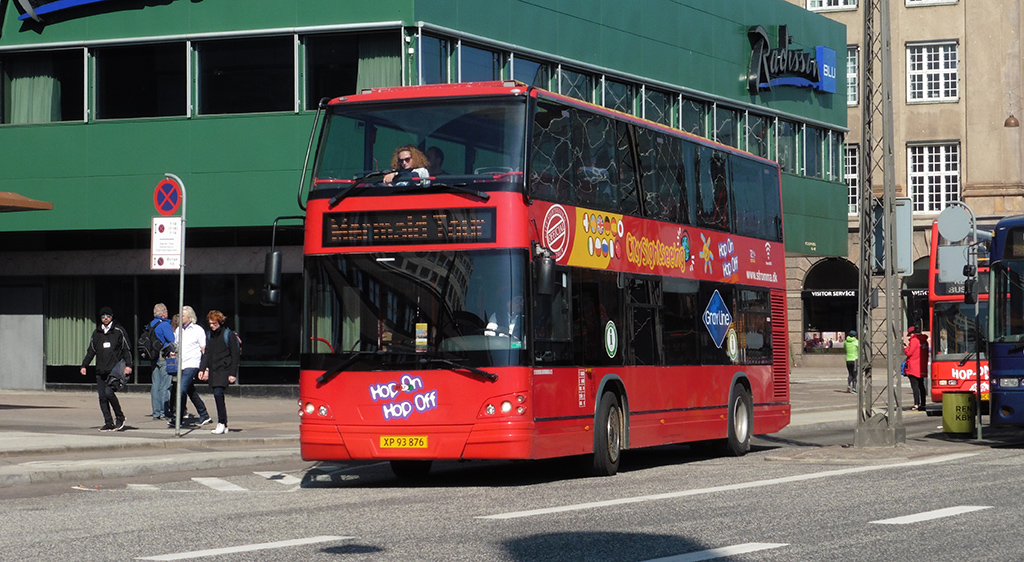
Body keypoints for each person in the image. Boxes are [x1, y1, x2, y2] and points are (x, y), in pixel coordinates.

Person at [80, 306, 133, 431]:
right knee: (102, 397)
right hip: (100, 369)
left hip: (114, 370)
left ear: (112, 316)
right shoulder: (96, 333)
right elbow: (91, 351)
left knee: (109, 393)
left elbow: (126, 349)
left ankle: (120, 417)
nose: (105, 318)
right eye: (103, 316)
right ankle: (108, 422)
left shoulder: (119, 331)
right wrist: (84, 365)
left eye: (108, 315)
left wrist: (129, 365)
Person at [197, 310, 240, 435]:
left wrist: (233, 374)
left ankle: (221, 422)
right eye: (210, 323)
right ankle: (224, 424)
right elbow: (207, 353)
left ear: (220, 322)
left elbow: (235, 355)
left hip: (224, 370)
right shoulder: (209, 335)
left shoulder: (229, 335)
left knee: (218, 393)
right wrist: (202, 368)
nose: (212, 326)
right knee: (217, 395)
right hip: (214, 370)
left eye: (214, 323)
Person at [169, 306, 211, 427]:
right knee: (189, 390)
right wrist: (172, 353)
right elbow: (176, 346)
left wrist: (205, 368)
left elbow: (204, 349)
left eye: (182, 315)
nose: (180, 318)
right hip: (181, 364)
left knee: (181, 390)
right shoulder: (178, 331)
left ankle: (179, 417)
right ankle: (204, 414)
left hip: (192, 363)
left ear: (190, 317)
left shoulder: (198, 330)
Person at [148, 303, 175, 420]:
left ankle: (156, 412)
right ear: (164, 313)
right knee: (165, 386)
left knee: (155, 386)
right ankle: (164, 412)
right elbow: (172, 340)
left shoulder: (150, 324)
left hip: (154, 358)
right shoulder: (164, 325)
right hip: (164, 357)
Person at [903, 326, 929, 411]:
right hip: (921, 366)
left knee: (915, 386)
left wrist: (905, 348)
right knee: (921, 386)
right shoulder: (924, 341)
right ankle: (923, 404)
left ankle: (916, 404)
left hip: (913, 366)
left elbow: (909, 353)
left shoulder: (914, 340)